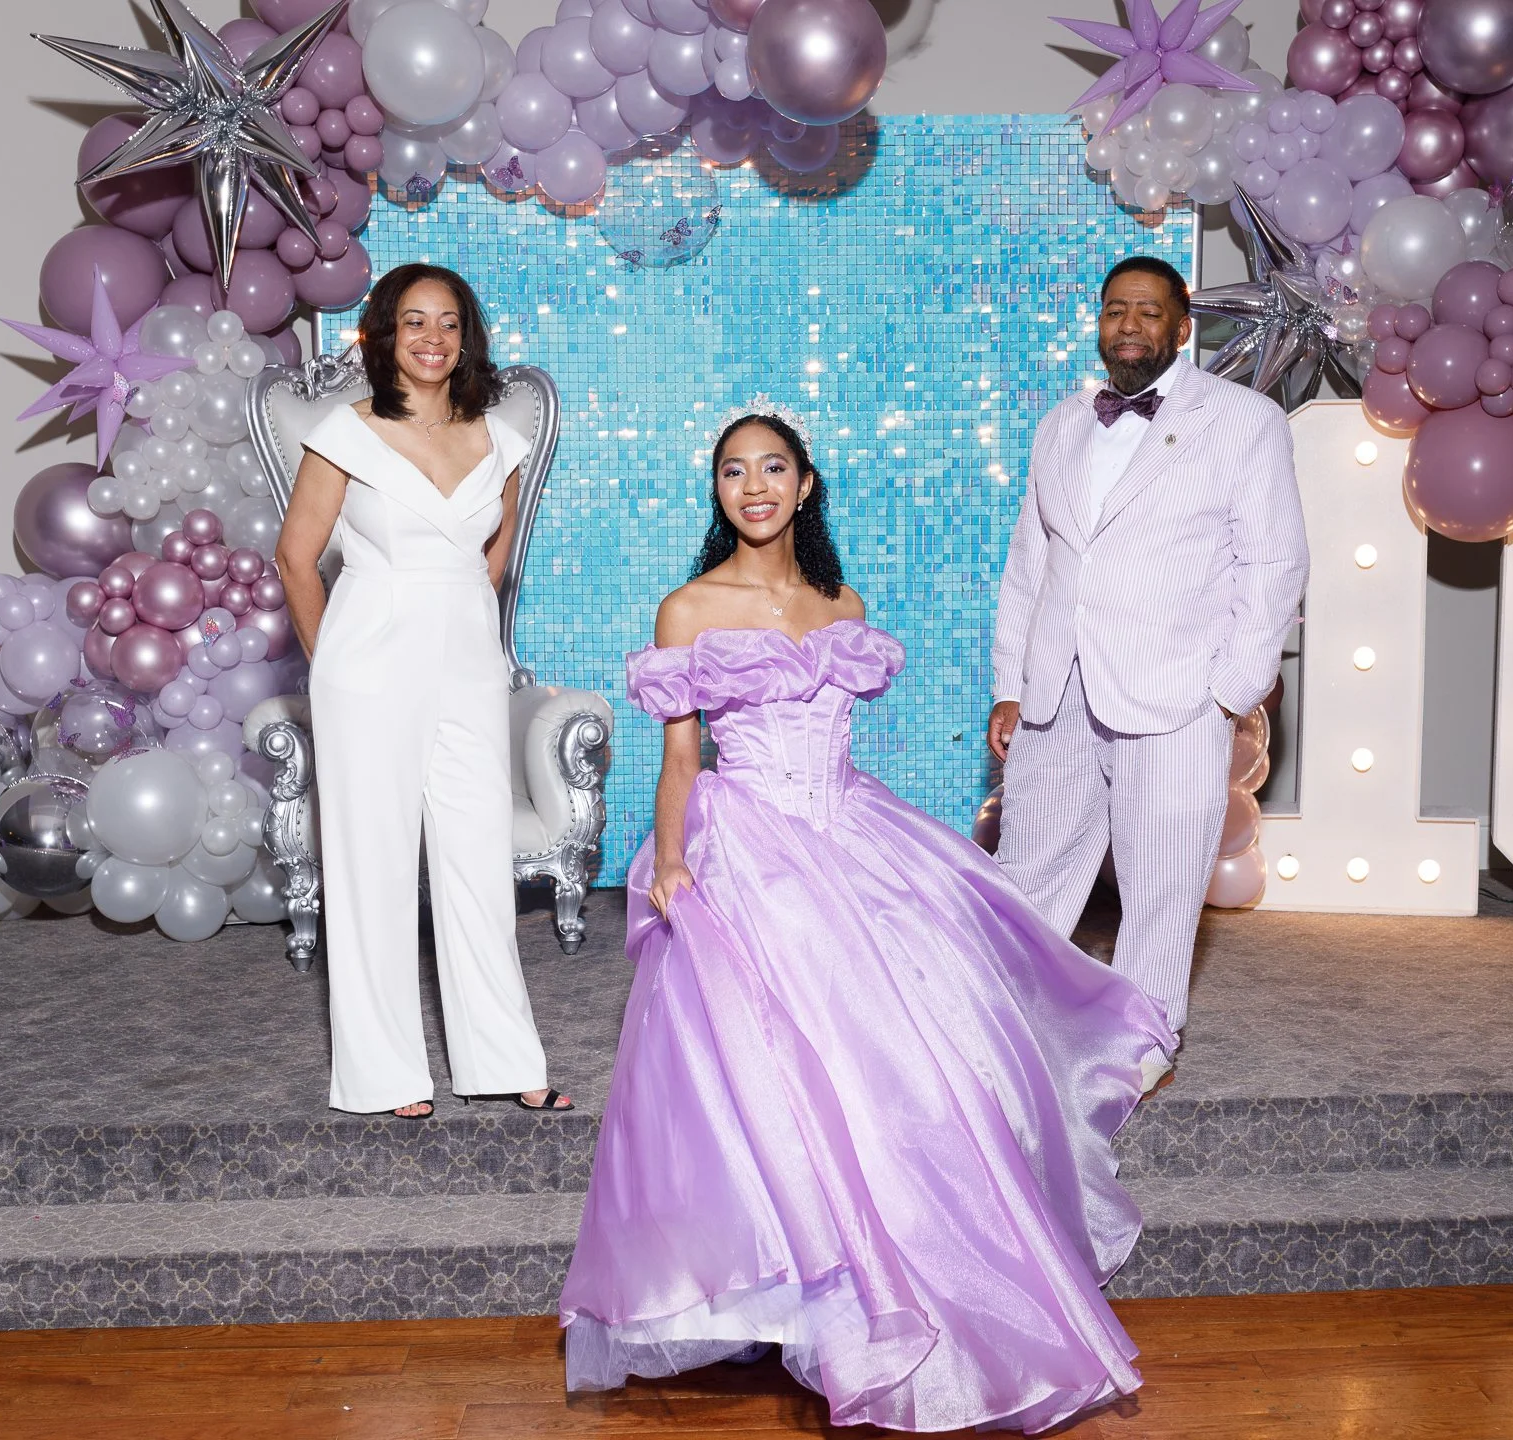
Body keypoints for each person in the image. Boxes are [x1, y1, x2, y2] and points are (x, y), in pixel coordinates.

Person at [558, 406, 1173, 1434]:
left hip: (852, 833)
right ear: (718, 494)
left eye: (771, 468)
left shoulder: (843, 602)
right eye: (731, 473)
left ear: (805, 485)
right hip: (748, 845)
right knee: (777, 1074)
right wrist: (669, 863)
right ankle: (821, 1292)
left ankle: (930, 1279)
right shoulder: (687, 609)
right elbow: (679, 760)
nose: (752, 486)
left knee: (922, 1056)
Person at [989, 256, 1308, 1094]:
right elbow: (1032, 560)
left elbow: (1273, 563)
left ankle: (1139, 1049)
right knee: (1030, 873)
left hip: (1176, 696)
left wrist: (1228, 693)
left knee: (1163, 886)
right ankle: (1019, 1031)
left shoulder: (1244, 421)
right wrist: (1012, 684)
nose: (1128, 325)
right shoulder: (1061, 424)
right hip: (1058, 689)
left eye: (1148, 312)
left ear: (1181, 327)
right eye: (1114, 311)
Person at [275, 263, 571, 1118]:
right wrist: (331, 662)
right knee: (370, 862)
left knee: (478, 859)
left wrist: (460, 625)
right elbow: (298, 557)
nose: (432, 337)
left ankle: (505, 1059)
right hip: (366, 660)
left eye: (447, 322)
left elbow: (493, 563)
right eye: (413, 322)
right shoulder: (346, 433)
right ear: (384, 335)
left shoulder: (501, 444)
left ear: (466, 337)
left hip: (469, 662)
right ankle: (384, 1076)